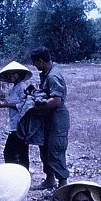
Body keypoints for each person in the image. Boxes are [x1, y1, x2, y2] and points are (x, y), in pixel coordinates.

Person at [29, 46, 69, 190]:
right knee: (44, 149)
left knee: (55, 150)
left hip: (57, 119)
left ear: (40, 61)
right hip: (47, 119)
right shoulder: (46, 73)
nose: (34, 66)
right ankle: (50, 179)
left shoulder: (53, 76)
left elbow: (56, 100)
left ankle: (63, 184)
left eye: (35, 63)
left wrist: (34, 107)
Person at [0, 61, 33, 170]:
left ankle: (19, 173)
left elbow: (25, 105)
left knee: (11, 151)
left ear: (19, 74)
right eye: (10, 74)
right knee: (18, 151)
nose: (12, 76)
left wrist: (6, 104)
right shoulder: (15, 88)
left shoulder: (22, 87)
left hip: (20, 124)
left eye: (14, 74)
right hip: (15, 123)